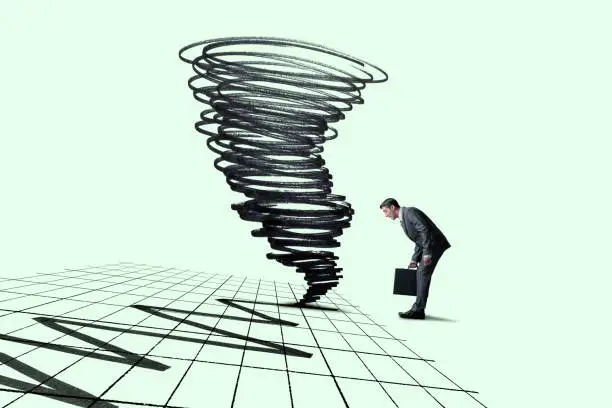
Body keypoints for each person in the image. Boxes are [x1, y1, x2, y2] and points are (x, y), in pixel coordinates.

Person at [379, 198, 451, 319]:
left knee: (423, 272)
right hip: (429, 245)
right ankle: (418, 308)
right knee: (421, 273)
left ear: (392, 207)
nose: (385, 215)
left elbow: (424, 230)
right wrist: (414, 259)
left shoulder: (410, 212)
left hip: (434, 245)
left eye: (386, 211)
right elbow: (419, 239)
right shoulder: (403, 220)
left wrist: (427, 253)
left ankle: (418, 310)